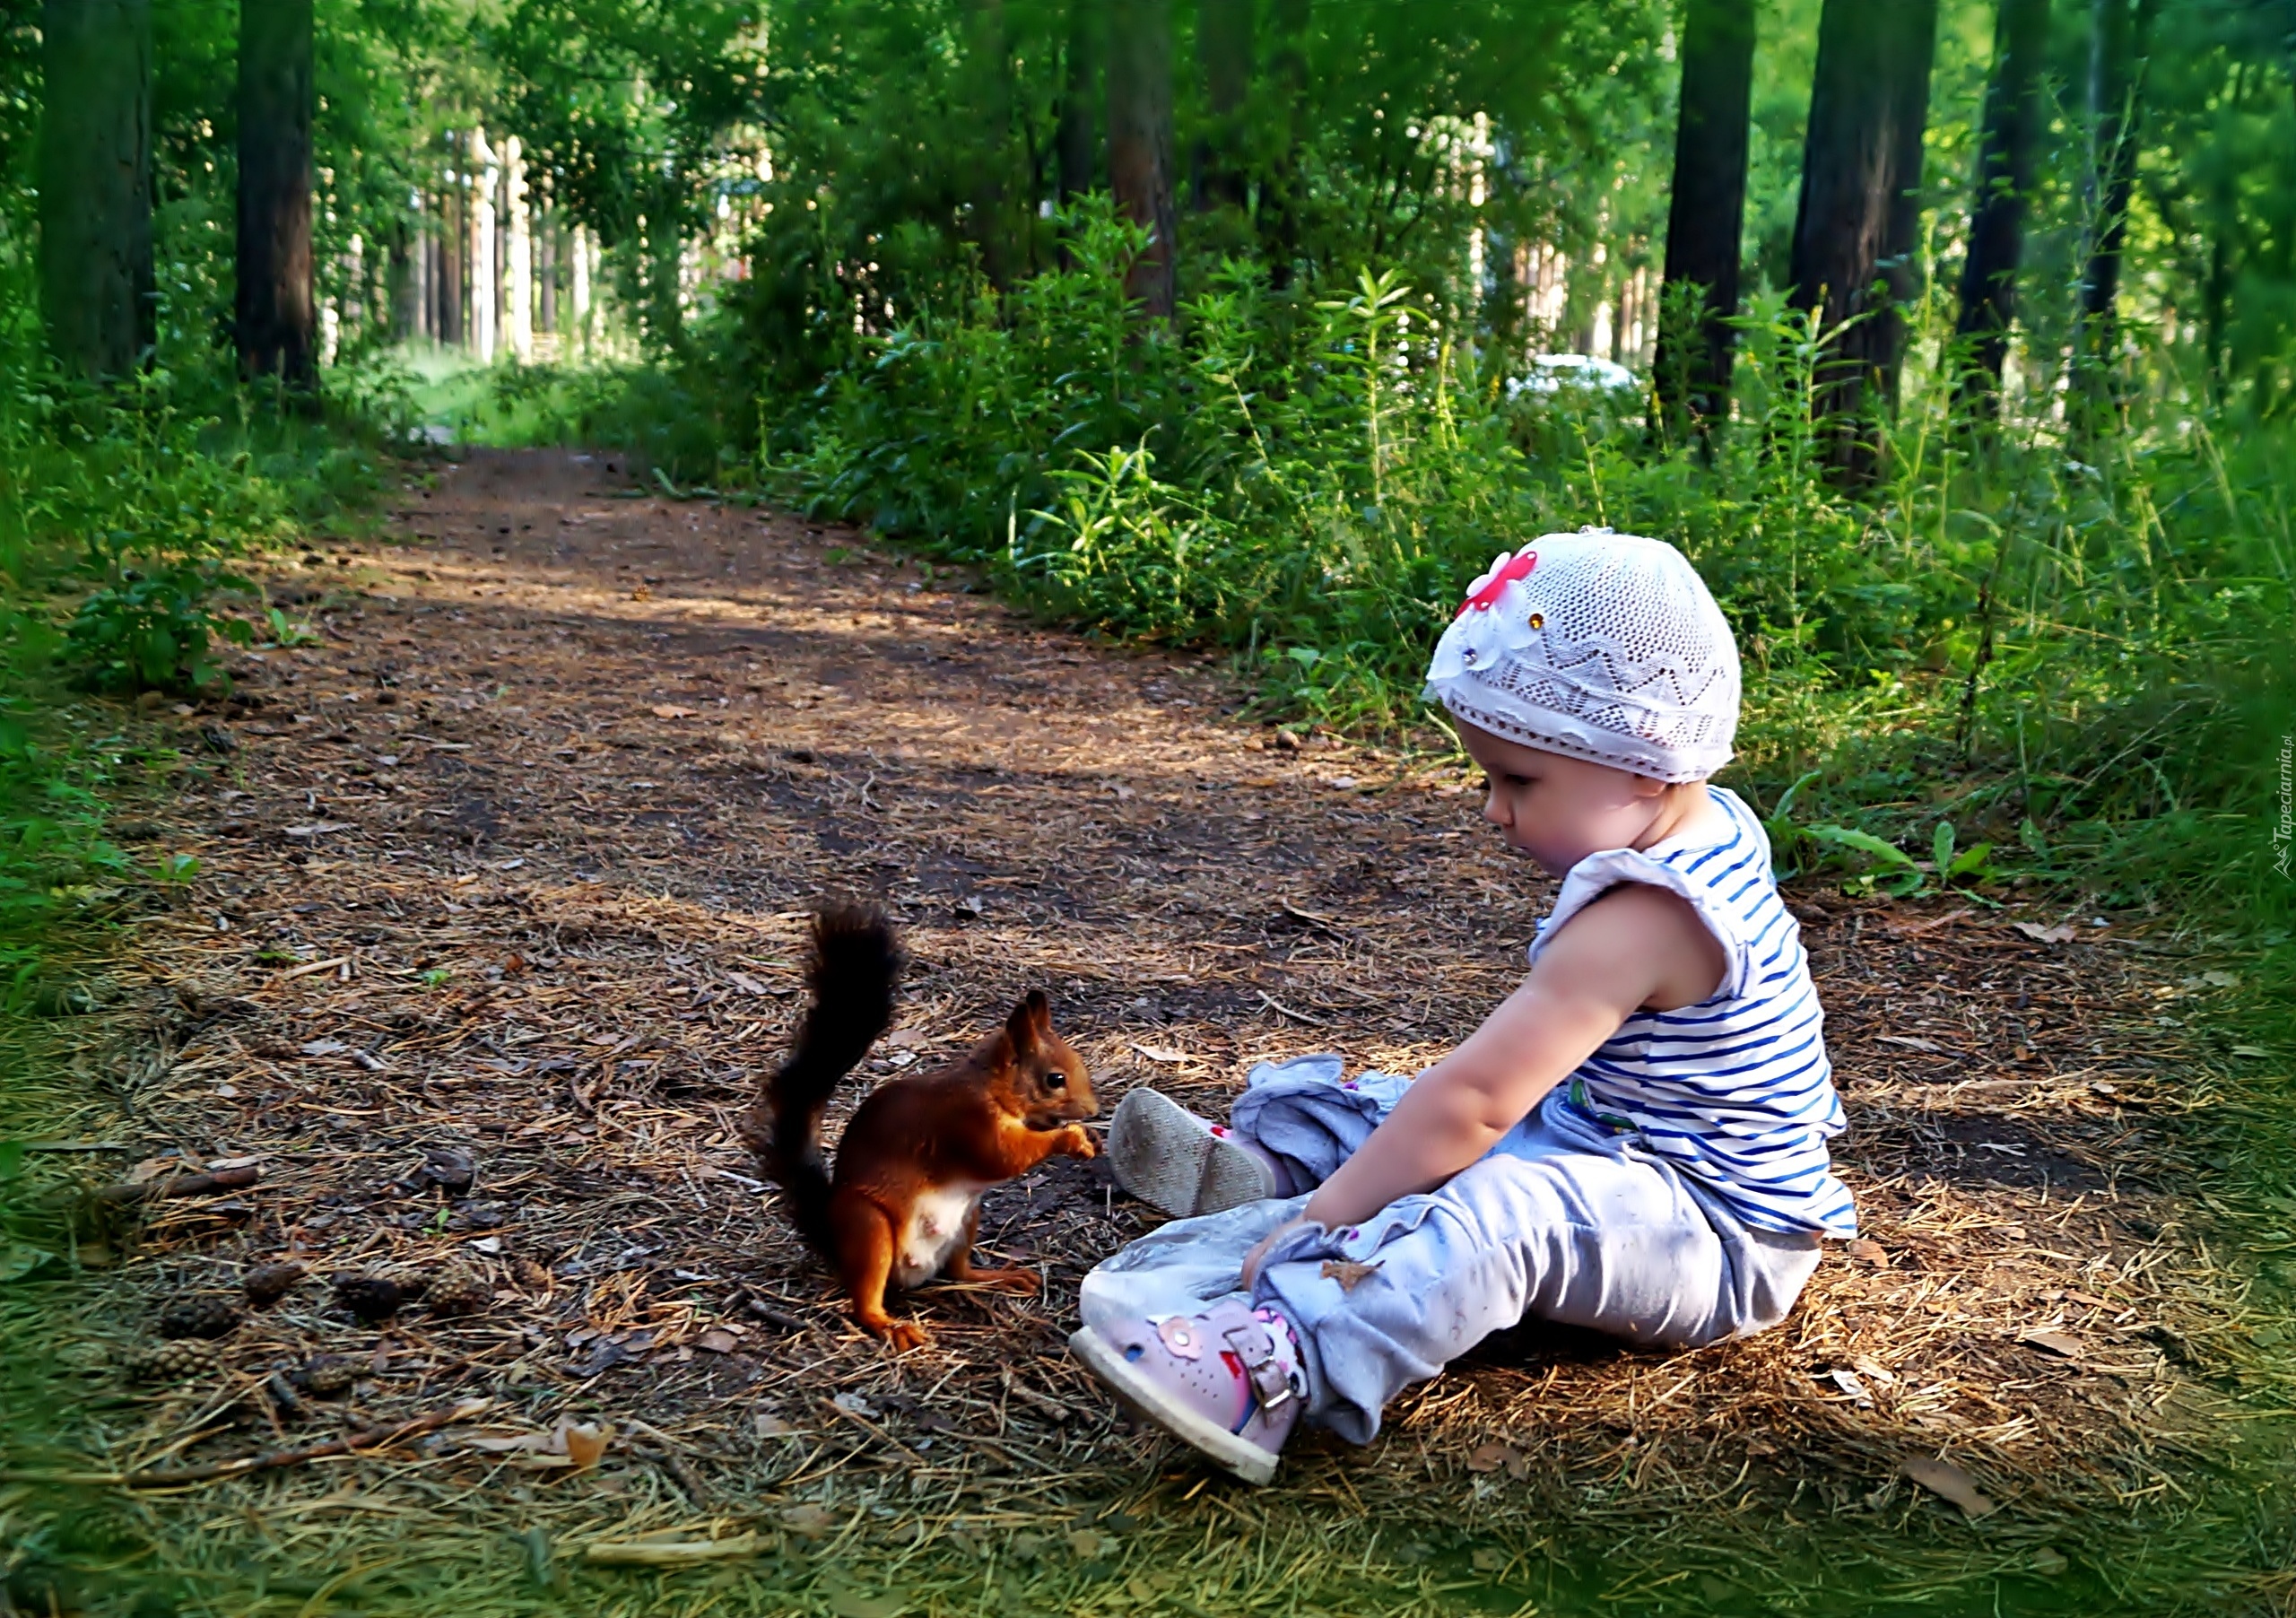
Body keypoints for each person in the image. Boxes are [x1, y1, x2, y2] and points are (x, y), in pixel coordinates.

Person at [1066, 529, 1854, 1486]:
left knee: (1497, 1201)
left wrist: (1323, 1219)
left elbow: (1481, 1100)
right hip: (1603, 1139)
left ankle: (1276, 1357)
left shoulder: (1647, 917)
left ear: (1647, 761)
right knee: (1396, 1108)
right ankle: (1277, 1160)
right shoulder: (1701, 816)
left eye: (1519, 780)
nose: (1494, 810)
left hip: (1713, 1230)